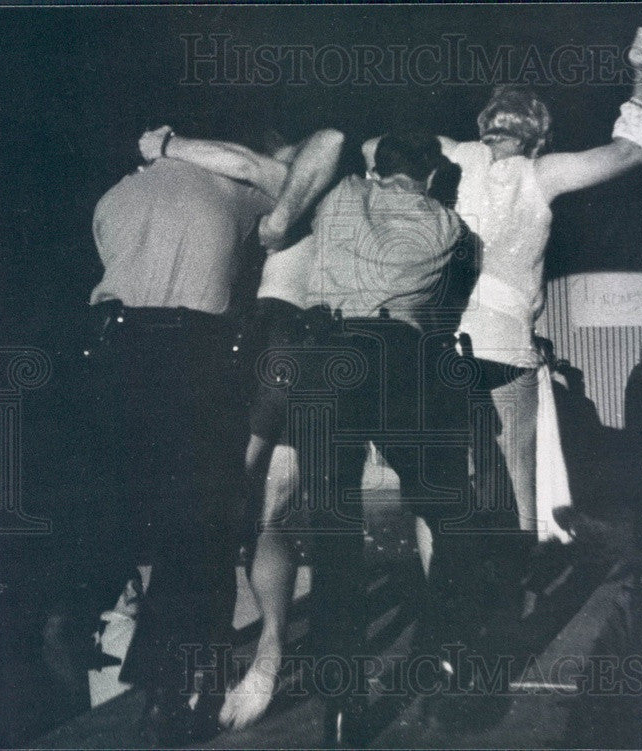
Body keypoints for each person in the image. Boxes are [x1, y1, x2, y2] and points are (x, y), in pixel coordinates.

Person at [362, 23, 642, 626]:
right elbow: (631, 151)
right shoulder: (541, 173)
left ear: (487, 125)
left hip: (436, 335)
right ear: (537, 137)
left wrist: (444, 152)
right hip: (503, 337)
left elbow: (374, 146)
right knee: (515, 470)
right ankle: (510, 604)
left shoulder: (451, 157)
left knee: (442, 476)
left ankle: (442, 606)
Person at [88, 123, 341, 746]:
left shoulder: (115, 198)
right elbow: (302, 160)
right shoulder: (234, 193)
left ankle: (169, 679)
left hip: (110, 346)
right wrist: (186, 149)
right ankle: (183, 686)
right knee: (212, 521)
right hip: (196, 349)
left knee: (173, 521)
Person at [290, 132, 487, 747]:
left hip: (324, 352)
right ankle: (442, 651)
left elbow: (312, 154)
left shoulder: (339, 194)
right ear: (429, 177)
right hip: (399, 353)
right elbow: (450, 300)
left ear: (377, 167)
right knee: (449, 507)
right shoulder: (450, 225)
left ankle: (342, 699)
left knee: (331, 520)